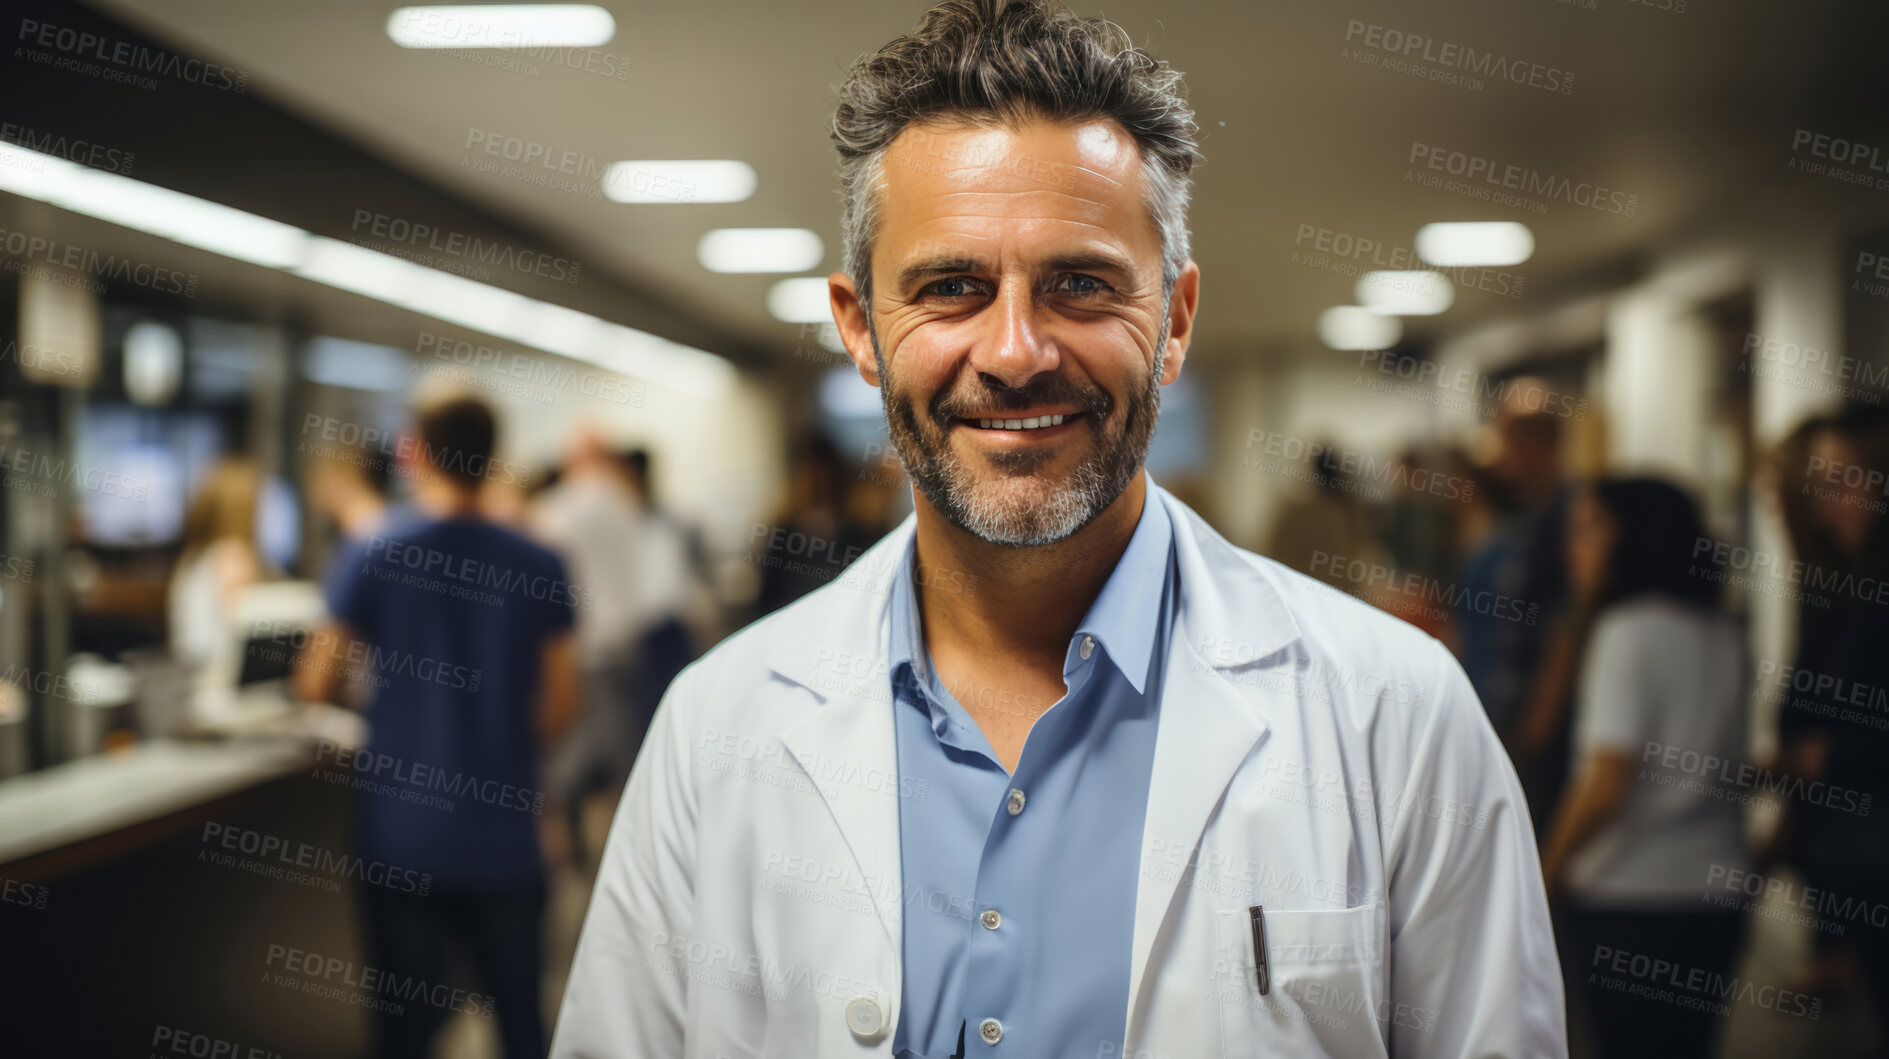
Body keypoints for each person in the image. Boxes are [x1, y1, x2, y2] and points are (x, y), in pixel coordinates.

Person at [551, 3, 1563, 1056]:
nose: (1016, 351)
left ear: (1171, 321)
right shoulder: (714, 729)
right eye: (951, 288)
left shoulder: (1390, 719)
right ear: (859, 330)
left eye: (1079, 285)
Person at [295, 396, 579, 1059]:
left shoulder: (372, 548)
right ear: (491, 456)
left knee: (402, 1032)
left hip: (401, 835)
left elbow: (315, 680)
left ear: (414, 451)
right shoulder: (539, 560)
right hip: (505, 835)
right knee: (518, 1020)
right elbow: (564, 703)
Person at [1538, 478, 1749, 1059]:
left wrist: (1543, 874)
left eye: (1589, 528)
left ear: (1632, 537)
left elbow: (1607, 782)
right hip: (1718, 892)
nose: (1572, 548)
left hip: (1627, 894)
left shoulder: (1624, 633)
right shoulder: (1723, 633)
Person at [169, 457, 266, 672]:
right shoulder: (233, 555)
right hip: (220, 686)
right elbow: (250, 635)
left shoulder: (195, 556)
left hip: (190, 680)